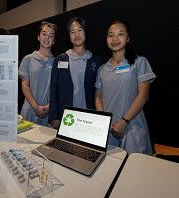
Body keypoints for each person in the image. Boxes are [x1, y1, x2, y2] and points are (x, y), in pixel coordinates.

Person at [95, 20, 156, 155]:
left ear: (128, 38)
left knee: (135, 171)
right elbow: (98, 96)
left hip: (131, 125)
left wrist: (124, 121)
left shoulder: (139, 62)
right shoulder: (102, 69)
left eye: (120, 34)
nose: (114, 39)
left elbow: (143, 95)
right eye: (110, 35)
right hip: (108, 129)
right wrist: (104, 120)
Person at [49, 17, 102, 129]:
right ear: (69, 36)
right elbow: (54, 89)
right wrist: (54, 117)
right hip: (66, 117)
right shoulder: (60, 59)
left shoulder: (96, 61)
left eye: (80, 30)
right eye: (72, 32)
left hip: (89, 117)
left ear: (85, 32)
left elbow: (100, 92)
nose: (76, 35)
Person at [19, 21, 57, 127]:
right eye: (44, 34)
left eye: (51, 36)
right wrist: (36, 107)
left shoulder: (57, 62)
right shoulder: (28, 59)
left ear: (54, 41)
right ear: (38, 37)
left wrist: (48, 107)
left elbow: (57, 89)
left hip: (48, 112)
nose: (47, 38)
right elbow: (24, 85)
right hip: (30, 110)